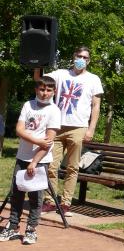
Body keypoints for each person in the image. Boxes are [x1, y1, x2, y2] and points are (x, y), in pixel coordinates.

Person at [41, 46, 103, 216]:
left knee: (72, 168)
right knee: (51, 166)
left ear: (88, 61)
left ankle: (66, 203)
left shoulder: (93, 79)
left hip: (79, 127)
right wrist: (37, 61)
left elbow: (96, 105)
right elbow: (40, 79)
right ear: (73, 57)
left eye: (85, 57)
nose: (81, 59)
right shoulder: (61, 74)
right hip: (57, 127)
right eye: (78, 56)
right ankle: (50, 201)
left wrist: (91, 128)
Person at [0, 77, 61, 245]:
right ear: (36, 90)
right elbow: (19, 130)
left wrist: (34, 162)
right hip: (22, 157)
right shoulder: (28, 105)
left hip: (40, 160)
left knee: (35, 195)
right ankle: (13, 226)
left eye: (49, 90)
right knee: (16, 193)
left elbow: (47, 143)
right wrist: (37, 141)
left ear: (54, 92)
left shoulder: (54, 111)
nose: (45, 93)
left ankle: (31, 229)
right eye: (42, 89)